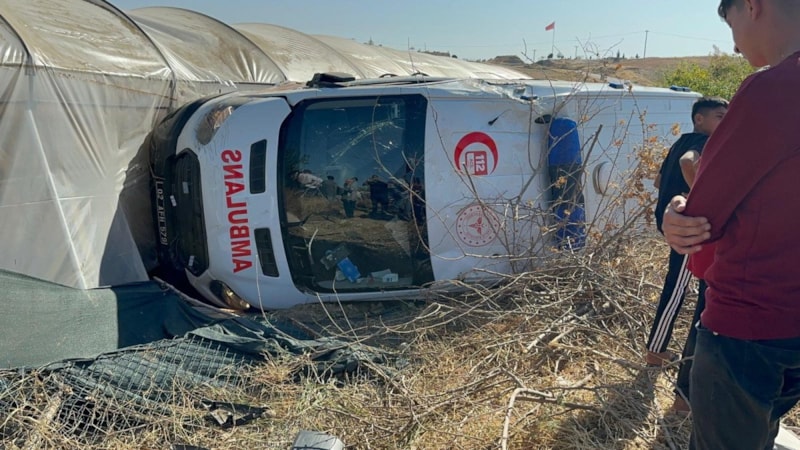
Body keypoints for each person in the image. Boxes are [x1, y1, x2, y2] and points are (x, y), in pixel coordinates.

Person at [662, 1, 800, 448]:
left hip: (750, 325)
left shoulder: (772, 89)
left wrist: (677, 210)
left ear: (753, 7)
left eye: (730, 21)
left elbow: (701, 220)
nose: (734, 42)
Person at [645, 97, 728, 367]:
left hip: (674, 224)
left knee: (678, 283)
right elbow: (686, 162)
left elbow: (658, 181)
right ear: (699, 119)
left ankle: (658, 349)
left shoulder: (679, 140)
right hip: (688, 229)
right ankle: (656, 351)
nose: (724, 121)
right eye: (719, 116)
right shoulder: (702, 144)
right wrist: (699, 196)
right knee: (677, 287)